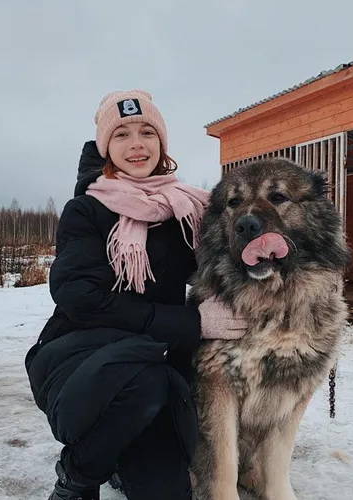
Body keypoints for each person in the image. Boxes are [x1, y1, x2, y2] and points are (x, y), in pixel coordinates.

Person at [24, 89, 247, 500]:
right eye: (122, 134)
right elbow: (80, 296)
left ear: (161, 143)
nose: (137, 144)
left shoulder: (185, 209)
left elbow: (223, 266)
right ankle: (77, 477)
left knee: (165, 490)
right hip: (80, 358)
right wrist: (191, 323)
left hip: (156, 367)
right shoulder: (86, 211)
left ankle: (123, 454)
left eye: (147, 132)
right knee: (142, 377)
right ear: (106, 146)